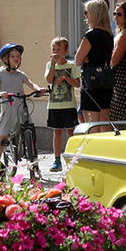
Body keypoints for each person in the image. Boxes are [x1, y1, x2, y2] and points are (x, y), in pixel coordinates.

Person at [0, 43, 43, 159]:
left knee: (30, 133)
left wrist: (38, 89)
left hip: (21, 109)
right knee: (2, 139)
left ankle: (34, 162)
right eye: (13, 56)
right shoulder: (0, 74)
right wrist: (1, 94)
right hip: (8, 111)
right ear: (6, 59)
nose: (16, 59)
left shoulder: (21, 75)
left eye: (18, 56)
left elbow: (31, 84)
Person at [75, 0, 114, 125]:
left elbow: (78, 60)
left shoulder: (90, 35)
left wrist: (85, 59)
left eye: (87, 12)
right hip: (105, 82)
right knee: (104, 122)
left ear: (94, 14)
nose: (85, 15)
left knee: (91, 124)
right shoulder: (109, 35)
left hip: (91, 82)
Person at [45, 36, 80, 172]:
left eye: (58, 50)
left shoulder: (71, 66)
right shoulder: (50, 65)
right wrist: (52, 65)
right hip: (54, 105)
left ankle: (73, 157)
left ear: (65, 51)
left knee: (70, 131)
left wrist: (65, 78)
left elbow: (77, 84)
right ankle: (57, 159)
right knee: (57, 132)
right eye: (53, 49)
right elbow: (49, 80)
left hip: (68, 105)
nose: (55, 52)